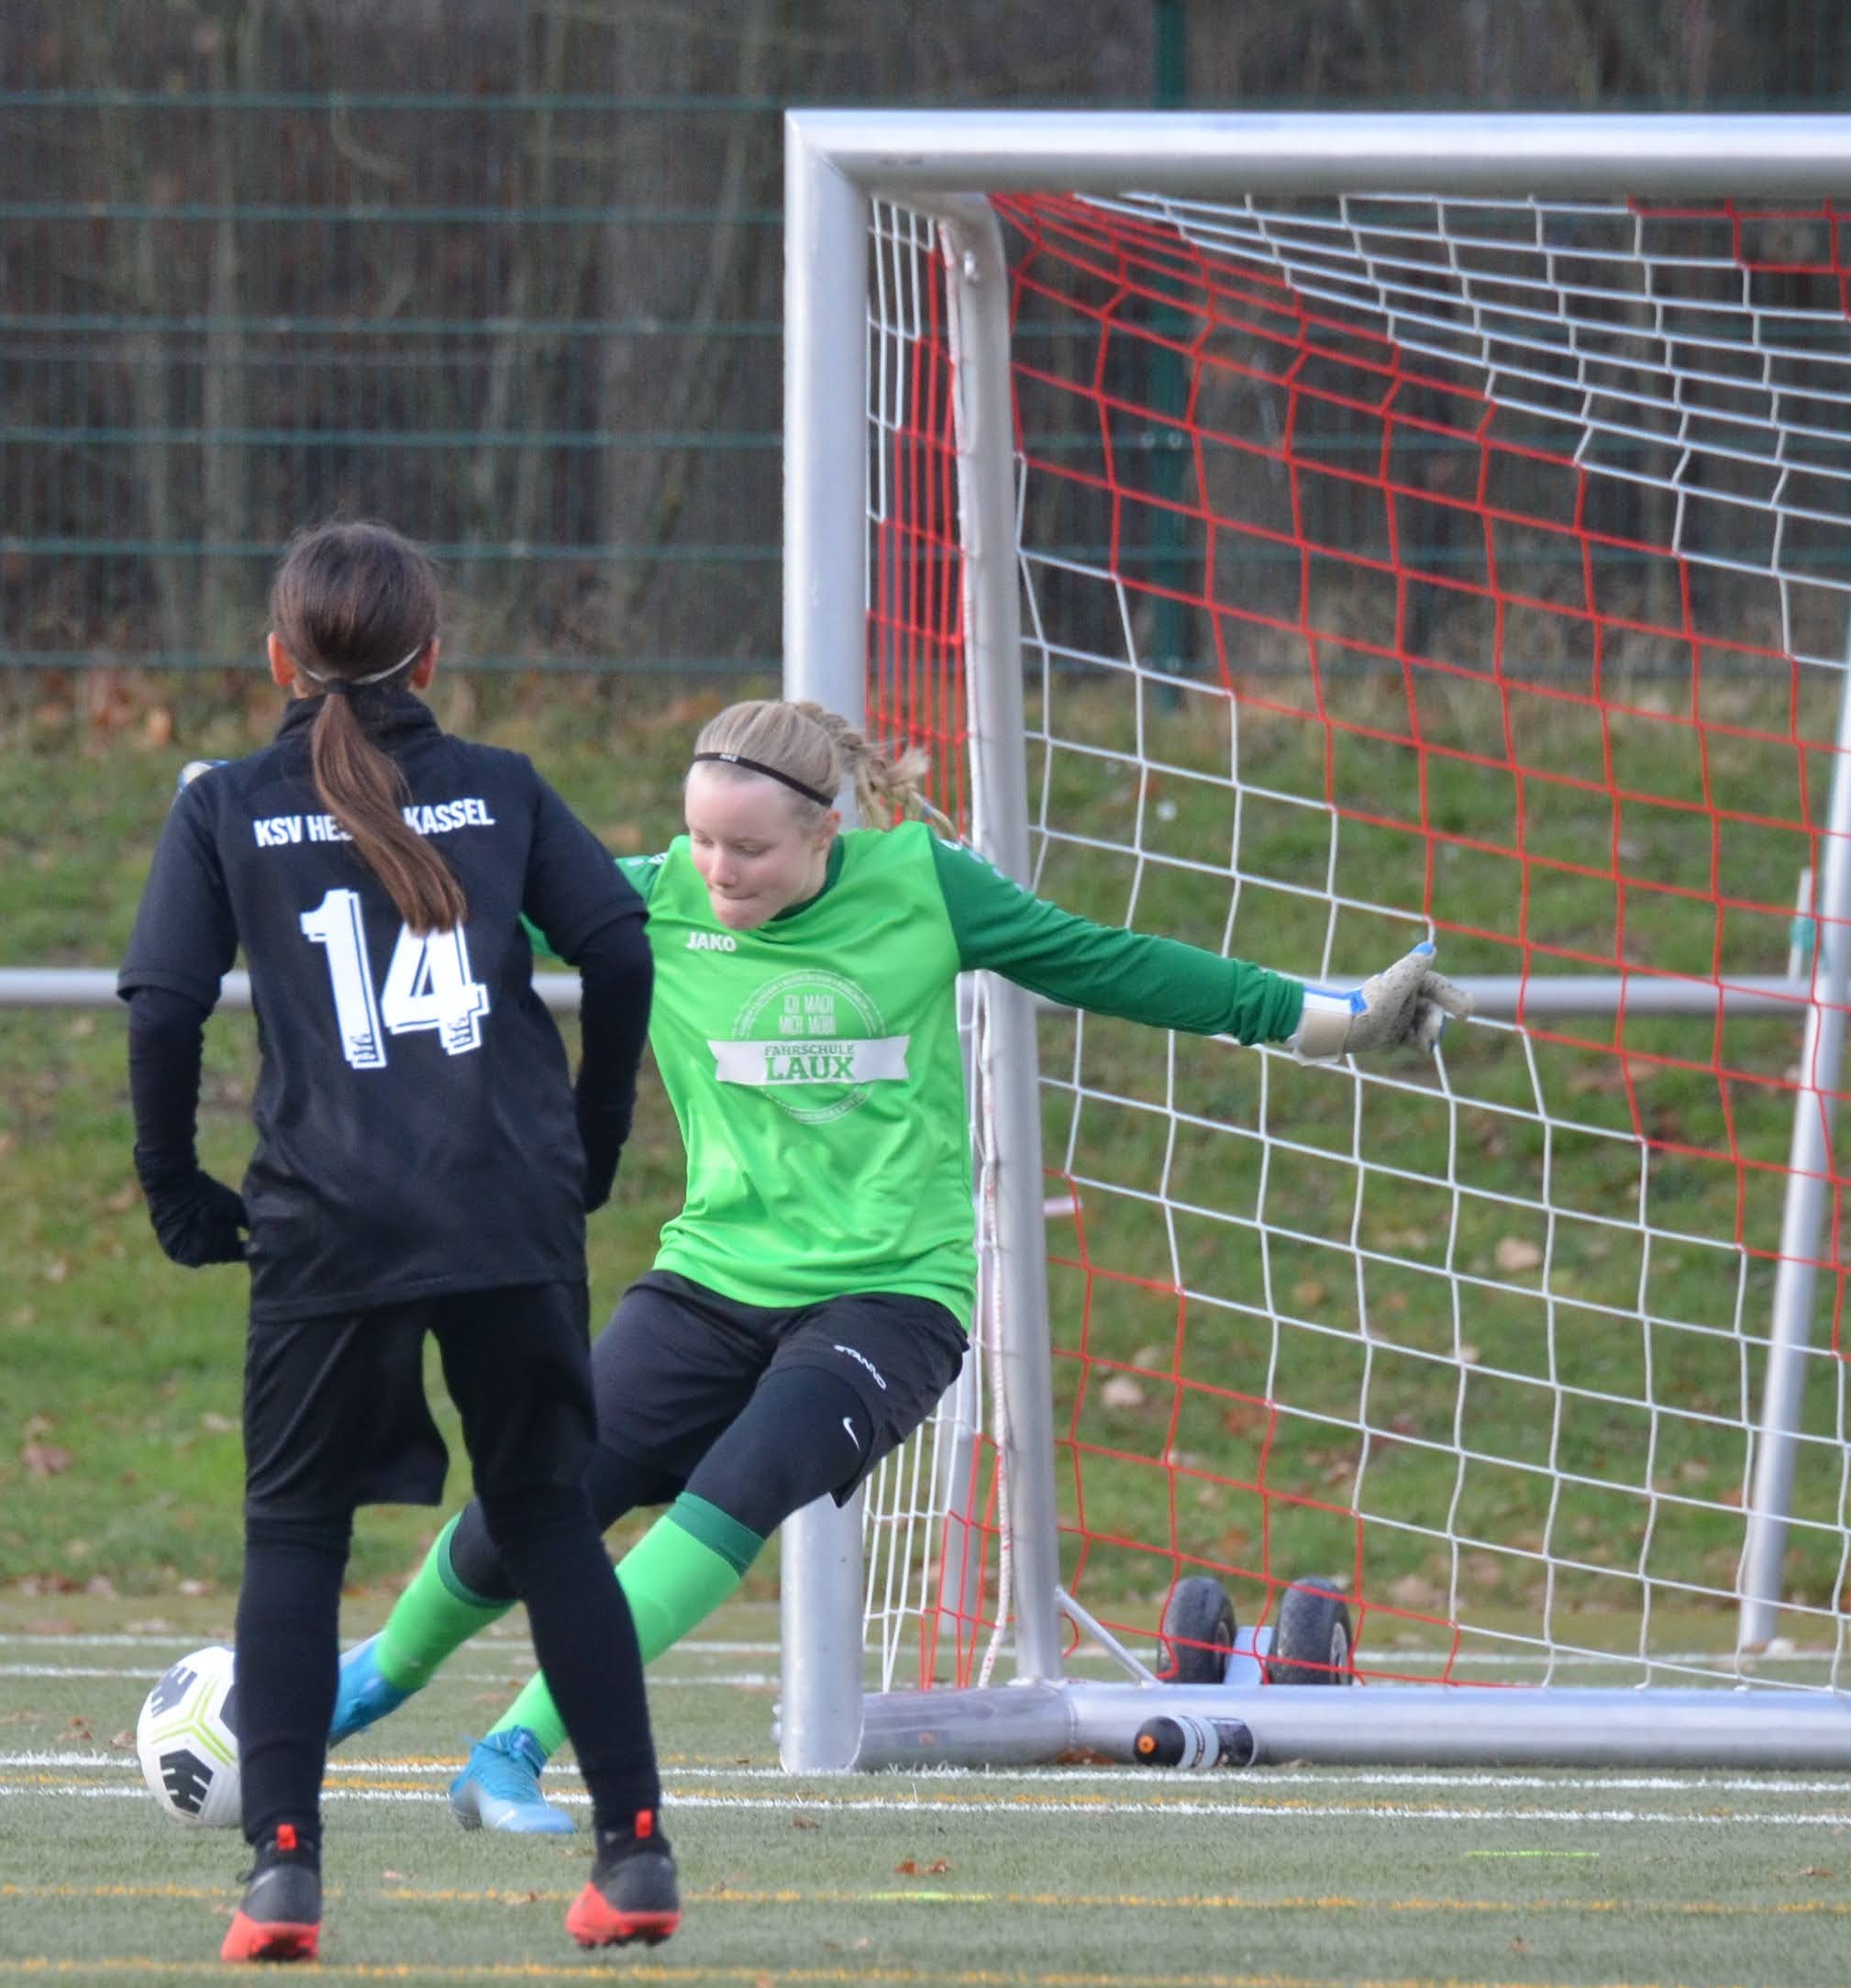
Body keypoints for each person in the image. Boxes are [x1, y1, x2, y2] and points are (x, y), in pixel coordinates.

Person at [334, 697, 1461, 1832]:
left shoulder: (923, 883)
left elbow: (1107, 964)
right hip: (708, 1282)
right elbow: (450, 897)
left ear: (826, 830)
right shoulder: (652, 896)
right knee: (533, 1503)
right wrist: (289, 838)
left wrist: (1326, 1021)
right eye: (703, 842)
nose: (718, 869)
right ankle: (354, 1688)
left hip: (889, 1301)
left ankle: (510, 1751)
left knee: (732, 1497)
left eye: (750, 848)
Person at [117, 522, 677, 1957]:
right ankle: (636, 1857)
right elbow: (619, 948)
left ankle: (285, 1875)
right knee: (552, 1521)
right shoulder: (499, 789)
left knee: (294, 1536)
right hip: (506, 1208)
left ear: (276, 663)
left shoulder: (227, 804)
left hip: (330, 1218)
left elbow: (165, 1002)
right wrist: (591, 1143)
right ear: (435, 657)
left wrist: (175, 1185)